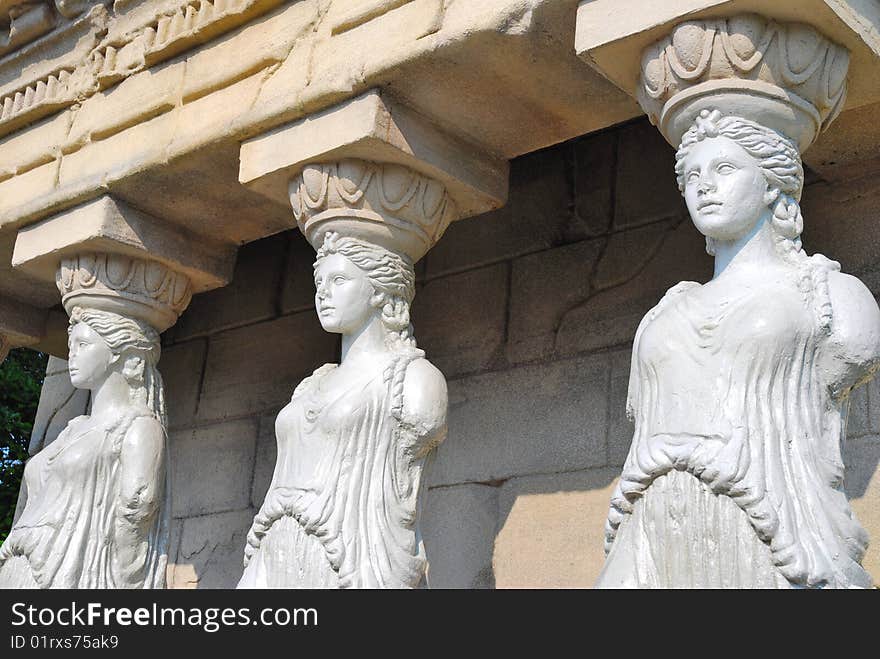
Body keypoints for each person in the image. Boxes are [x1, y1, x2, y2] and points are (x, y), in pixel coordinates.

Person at [596, 109, 880, 588]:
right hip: (647, 522)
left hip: (771, 524)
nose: (703, 185)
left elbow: (853, 354)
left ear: (771, 185)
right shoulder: (663, 314)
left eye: (724, 169)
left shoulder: (833, 297)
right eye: (691, 176)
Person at [239, 232, 447, 588]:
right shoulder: (310, 383)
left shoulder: (414, 380)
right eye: (320, 281)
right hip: (273, 549)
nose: (323, 292)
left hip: (354, 558)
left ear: (379, 290)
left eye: (339, 280)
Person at [0, 307, 169, 588]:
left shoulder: (138, 427)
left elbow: (137, 510)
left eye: (83, 345)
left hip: (69, 575)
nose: (72, 355)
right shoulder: (73, 427)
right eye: (70, 346)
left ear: (118, 353)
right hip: (19, 563)